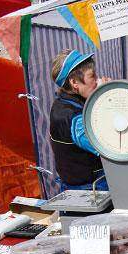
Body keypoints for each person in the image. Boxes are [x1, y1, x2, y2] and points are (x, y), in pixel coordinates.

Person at [48, 49, 106, 191]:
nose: (97, 79)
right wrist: (106, 99)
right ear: (74, 82)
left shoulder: (69, 102)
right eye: (92, 76)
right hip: (88, 190)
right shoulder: (71, 116)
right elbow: (105, 146)